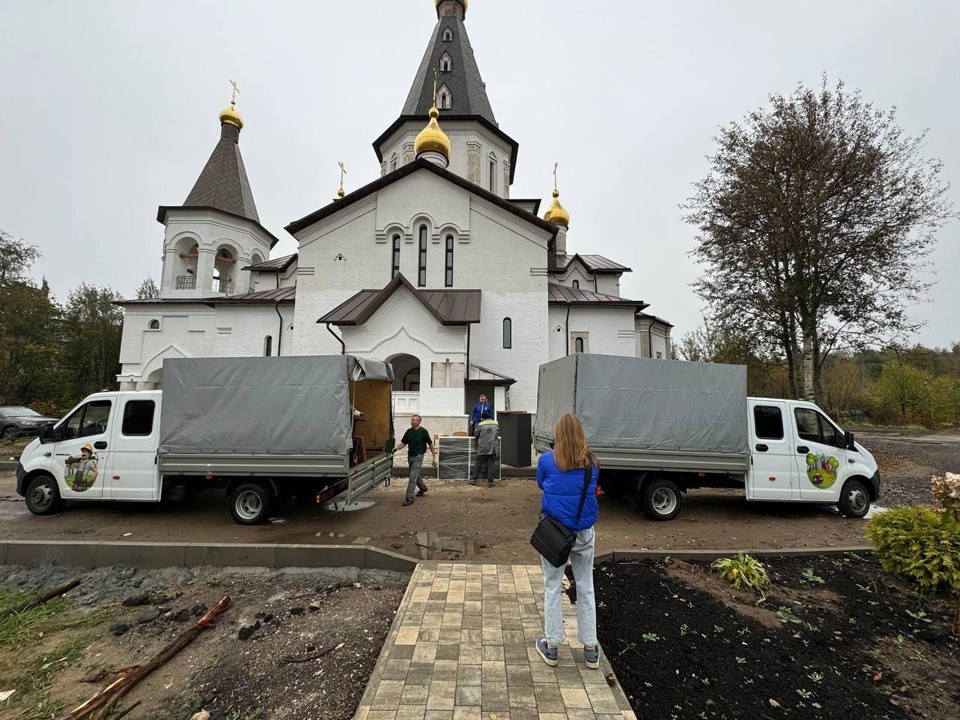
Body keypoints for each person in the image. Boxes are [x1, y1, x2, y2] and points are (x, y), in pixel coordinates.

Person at [534, 414, 601, 669]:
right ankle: (591, 648)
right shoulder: (591, 463)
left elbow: (542, 484)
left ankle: (551, 646)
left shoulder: (547, 460)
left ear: (558, 434)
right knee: (586, 586)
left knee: (552, 586)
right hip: (584, 533)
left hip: (555, 532)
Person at [394, 415, 435, 506]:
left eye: (414, 420)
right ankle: (423, 487)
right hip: (410, 455)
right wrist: (396, 448)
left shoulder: (423, 432)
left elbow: (430, 444)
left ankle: (409, 497)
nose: (412, 421)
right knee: (414, 474)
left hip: (419, 456)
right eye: (411, 420)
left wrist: (434, 456)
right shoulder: (409, 432)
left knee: (412, 476)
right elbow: (403, 443)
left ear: (419, 422)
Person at [471, 410, 499, 486]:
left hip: (482, 448)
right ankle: (490, 482)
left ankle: (473, 480)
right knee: (491, 465)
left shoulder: (480, 425)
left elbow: (476, 435)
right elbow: (497, 433)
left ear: (482, 417)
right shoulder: (496, 424)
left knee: (478, 463)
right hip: (492, 448)